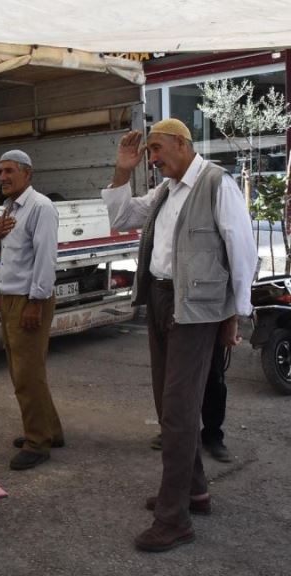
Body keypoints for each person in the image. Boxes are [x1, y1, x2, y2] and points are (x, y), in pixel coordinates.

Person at [101, 119, 257, 552]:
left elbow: (242, 251)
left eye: (156, 149)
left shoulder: (216, 184)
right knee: (168, 405)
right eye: (148, 152)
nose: (152, 158)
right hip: (162, 301)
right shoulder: (166, 190)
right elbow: (120, 217)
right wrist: (121, 171)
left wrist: (235, 317)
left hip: (196, 310)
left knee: (179, 411)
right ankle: (195, 492)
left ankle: (174, 519)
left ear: (182, 144)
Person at [0, 150, 62, 471]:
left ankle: (37, 443)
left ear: (27, 174)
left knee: (26, 375)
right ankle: (50, 431)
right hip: (11, 298)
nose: (2, 177)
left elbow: (46, 259)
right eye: (0, 172)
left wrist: (35, 302)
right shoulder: (9, 208)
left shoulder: (40, 207)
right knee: (26, 372)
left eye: (9, 171)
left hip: (29, 299)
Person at [151, 339, 232, 463]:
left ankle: (212, 435)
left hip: (211, 324)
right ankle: (173, 433)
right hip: (179, 324)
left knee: (214, 376)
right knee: (176, 378)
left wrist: (232, 322)